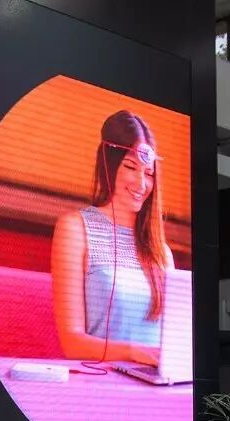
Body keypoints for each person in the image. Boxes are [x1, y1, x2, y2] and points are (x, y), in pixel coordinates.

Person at [50, 110, 175, 367]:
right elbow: (71, 342)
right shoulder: (75, 228)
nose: (141, 183)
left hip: (159, 381)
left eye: (149, 173)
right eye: (130, 167)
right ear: (109, 165)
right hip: (102, 379)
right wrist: (134, 352)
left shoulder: (161, 251)